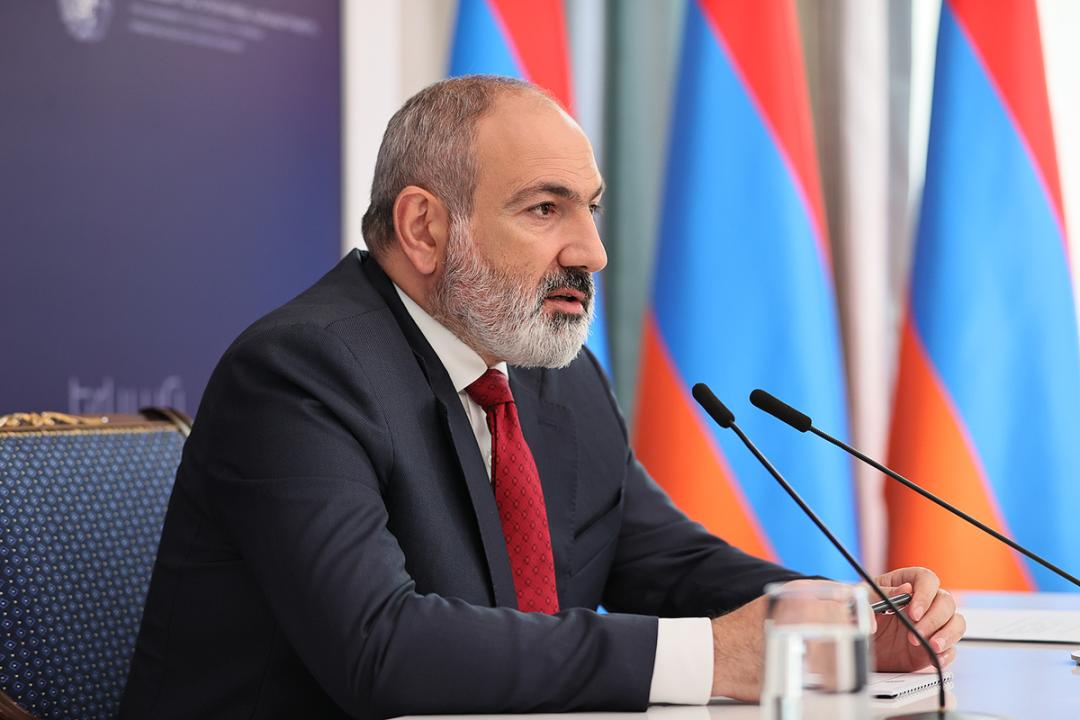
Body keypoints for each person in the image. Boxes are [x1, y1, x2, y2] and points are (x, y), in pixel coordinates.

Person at [120, 76, 965, 719]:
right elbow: (381, 648)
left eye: (589, 209)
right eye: (544, 209)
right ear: (424, 228)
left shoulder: (550, 370)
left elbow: (660, 560)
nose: (592, 252)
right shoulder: (301, 373)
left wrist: (843, 620)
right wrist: (716, 656)